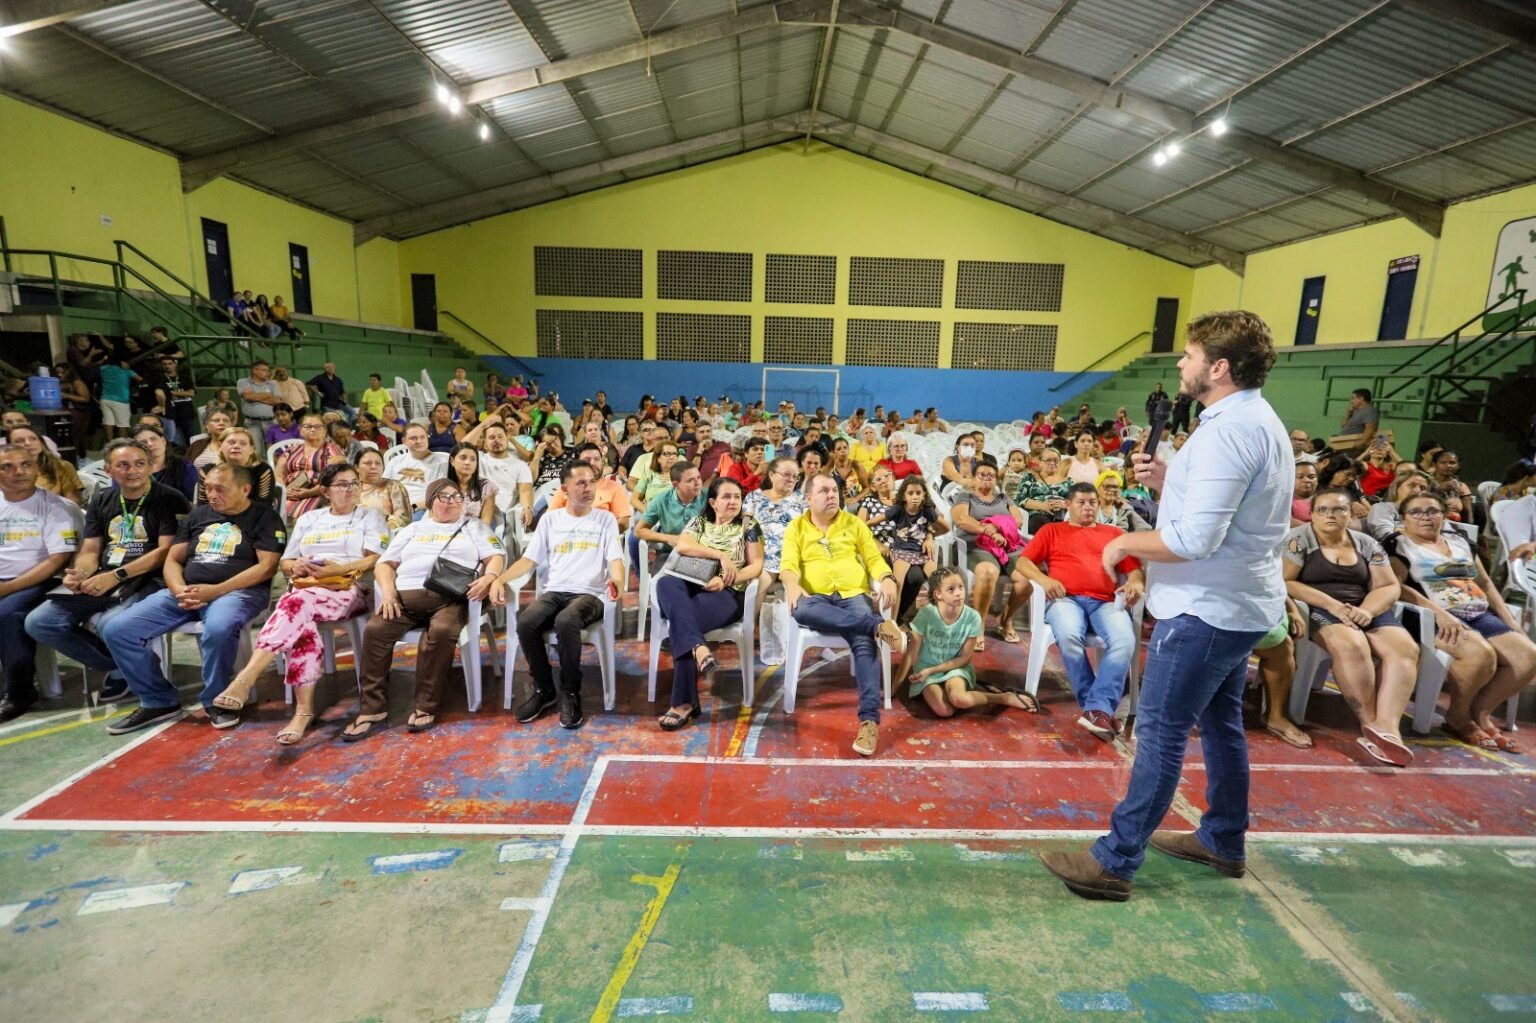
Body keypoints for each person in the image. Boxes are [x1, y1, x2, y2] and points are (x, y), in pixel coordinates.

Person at [1039, 309, 1291, 903]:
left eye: (1190, 354)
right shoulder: (1253, 419)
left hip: (1206, 610)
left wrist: (1122, 541)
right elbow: (1226, 508)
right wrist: (1169, 481)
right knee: (1222, 725)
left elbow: (1193, 540)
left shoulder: (1229, 430)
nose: (1181, 362)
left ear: (1219, 367)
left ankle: (1114, 863)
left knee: (1159, 732)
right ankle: (1223, 839)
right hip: (1239, 605)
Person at [101, 463, 284, 734]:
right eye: (208, 488)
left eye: (220, 489)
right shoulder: (198, 515)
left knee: (218, 629)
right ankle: (157, 700)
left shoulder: (264, 517)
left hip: (238, 592)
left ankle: (216, 700)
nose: (212, 494)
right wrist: (178, 590)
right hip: (186, 590)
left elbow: (265, 568)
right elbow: (173, 559)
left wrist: (215, 591)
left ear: (245, 489)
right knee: (117, 629)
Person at [212, 462, 387, 743]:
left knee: (295, 603)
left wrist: (336, 569)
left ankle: (246, 679)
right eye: (343, 484)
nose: (351, 489)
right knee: (301, 621)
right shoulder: (310, 520)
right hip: (308, 589)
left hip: (349, 590)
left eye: (355, 483)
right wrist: (299, 566)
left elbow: (374, 559)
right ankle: (303, 711)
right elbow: (286, 562)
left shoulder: (369, 517)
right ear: (326, 491)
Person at [25, 438, 188, 706]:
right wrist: (79, 573)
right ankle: (122, 665)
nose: (132, 470)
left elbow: (166, 552)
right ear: (109, 471)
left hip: (148, 579)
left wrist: (115, 576)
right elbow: (90, 548)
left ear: (150, 467)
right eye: (123, 465)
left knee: (108, 624)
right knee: (40, 622)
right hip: (105, 576)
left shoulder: (170, 498)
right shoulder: (103, 499)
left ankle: (133, 675)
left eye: (139, 464)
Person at [343, 478, 504, 741]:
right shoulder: (412, 529)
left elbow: (495, 556)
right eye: (444, 497)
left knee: (441, 630)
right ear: (430, 501)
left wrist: (491, 575)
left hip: (450, 598)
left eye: (456, 497)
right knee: (375, 630)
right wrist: (389, 592)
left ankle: (425, 705)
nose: (451, 502)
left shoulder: (473, 527)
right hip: (404, 597)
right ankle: (372, 710)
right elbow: (384, 565)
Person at [1282, 488, 1420, 766]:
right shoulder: (1298, 540)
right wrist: (1332, 605)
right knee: (1351, 644)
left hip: (1363, 607)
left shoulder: (1366, 543)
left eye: (1339, 509)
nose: (1331, 515)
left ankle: (1387, 729)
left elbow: (1389, 585)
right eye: (1323, 510)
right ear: (1312, 514)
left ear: (1351, 513)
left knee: (1405, 648)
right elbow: (1286, 581)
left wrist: (1367, 611)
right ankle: (1369, 722)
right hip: (1319, 608)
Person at [1391, 493, 1535, 754]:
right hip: (1434, 618)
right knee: (1480, 655)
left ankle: (1480, 714)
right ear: (1404, 518)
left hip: (1478, 613)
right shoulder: (1399, 545)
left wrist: (1509, 621)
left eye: (1433, 511)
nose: (1426, 516)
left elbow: (1485, 583)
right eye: (1416, 512)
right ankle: (1458, 718)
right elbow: (1396, 586)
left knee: (1528, 655)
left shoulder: (1460, 541)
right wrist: (1438, 613)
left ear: (1443, 516)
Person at [780, 473, 904, 757]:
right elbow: (787, 565)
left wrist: (886, 577)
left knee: (863, 642)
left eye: (835, 490)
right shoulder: (796, 528)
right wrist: (790, 583)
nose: (832, 495)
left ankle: (869, 721)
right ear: (808, 497)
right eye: (824, 491)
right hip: (816, 598)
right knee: (800, 607)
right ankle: (876, 625)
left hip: (852, 594)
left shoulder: (854, 524)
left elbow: (873, 558)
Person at [493, 462, 624, 730]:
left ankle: (570, 692)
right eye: (581, 483)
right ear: (565, 489)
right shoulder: (551, 520)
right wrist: (500, 578)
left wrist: (618, 580)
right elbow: (529, 560)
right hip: (555, 591)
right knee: (526, 621)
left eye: (591, 482)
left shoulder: (605, 519)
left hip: (590, 594)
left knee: (567, 621)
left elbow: (616, 560)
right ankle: (544, 690)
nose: (589, 488)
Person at [1016, 483, 1145, 737]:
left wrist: (1135, 584)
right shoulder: (1052, 530)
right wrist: (1044, 580)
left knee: (1125, 641)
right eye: (1081, 502)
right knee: (1068, 636)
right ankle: (1098, 709)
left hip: (1106, 602)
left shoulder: (1114, 534)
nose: (1088, 507)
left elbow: (1135, 572)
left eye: (1092, 503)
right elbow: (1023, 561)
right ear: (1068, 505)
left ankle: (1096, 711)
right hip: (1065, 599)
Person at [654, 476, 764, 730]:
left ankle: (683, 703)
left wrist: (726, 580)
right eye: (726, 497)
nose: (733, 501)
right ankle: (700, 651)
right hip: (693, 580)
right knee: (665, 583)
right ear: (713, 502)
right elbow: (683, 545)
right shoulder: (700, 521)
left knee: (681, 621)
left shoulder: (748, 525)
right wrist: (720, 555)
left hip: (727, 593)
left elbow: (756, 565)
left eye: (737, 496)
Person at [0, 445, 82, 721]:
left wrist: (9, 588)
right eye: (7, 467)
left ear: (36, 468)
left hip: (39, 581)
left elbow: (58, 559)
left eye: (25, 464)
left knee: (8, 614)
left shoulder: (53, 506)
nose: (18, 472)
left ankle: (19, 692)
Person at [895, 567, 1036, 718]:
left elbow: (963, 658)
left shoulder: (972, 617)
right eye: (951, 589)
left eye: (961, 587)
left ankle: (1003, 697)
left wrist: (932, 671)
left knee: (959, 699)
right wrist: (894, 688)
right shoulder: (926, 614)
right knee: (944, 711)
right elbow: (910, 654)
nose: (958, 593)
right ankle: (973, 690)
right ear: (938, 594)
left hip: (954, 668)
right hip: (926, 672)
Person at [950, 462, 1030, 647]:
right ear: (974, 478)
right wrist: (988, 532)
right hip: (977, 544)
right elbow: (962, 520)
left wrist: (996, 526)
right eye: (982, 474)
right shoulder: (965, 496)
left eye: (990, 475)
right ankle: (978, 626)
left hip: (1008, 545)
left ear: (996, 479)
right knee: (987, 572)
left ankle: (1005, 620)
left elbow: (1018, 519)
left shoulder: (1004, 498)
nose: (986, 478)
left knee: (1027, 577)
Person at [882, 475, 948, 625]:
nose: (915, 497)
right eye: (878, 478)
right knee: (899, 582)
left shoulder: (925, 508)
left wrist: (930, 537)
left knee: (930, 580)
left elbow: (938, 523)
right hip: (893, 551)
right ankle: (893, 622)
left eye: (918, 493)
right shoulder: (880, 505)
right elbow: (867, 524)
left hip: (917, 550)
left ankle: (940, 620)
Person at [635, 460, 706, 577]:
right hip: (670, 553)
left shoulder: (708, 498)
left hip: (702, 554)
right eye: (690, 480)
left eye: (699, 477)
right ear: (675, 484)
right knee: (661, 583)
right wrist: (668, 538)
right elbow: (639, 531)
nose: (697, 483)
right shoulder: (661, 500)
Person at [282, 413, 346, 521]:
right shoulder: (292, 450)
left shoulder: (331, 449)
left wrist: (309, 492)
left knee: (301, 517)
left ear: (325, 431)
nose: (313, 429)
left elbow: (335, 476)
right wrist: (284, 490)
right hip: (290, 491)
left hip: (319, 492)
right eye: (307, 426)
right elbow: (278, 474)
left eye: (317, 427)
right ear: (300, 430)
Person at [474, 421, 534, 533]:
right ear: (485, 444)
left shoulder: (520, 465)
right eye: (491, 437)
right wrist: (480, 427)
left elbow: (525, 491)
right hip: (476, 513)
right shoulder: (477, 459)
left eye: (500, 436)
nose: (496, 440)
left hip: (503, 517)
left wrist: (527, 508)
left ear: (507, 440)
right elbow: (461, 446)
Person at [194, 428, 277, 508]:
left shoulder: (262, 470)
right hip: (214, 517)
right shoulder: (208, 470)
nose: (236, 446)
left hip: (254, 518)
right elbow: (203, 505)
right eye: (231, 442)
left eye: (243, 443)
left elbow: (263, 505)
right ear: (220, 446)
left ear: (252, 449)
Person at [6, 426, 83, 504]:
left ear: (41, 443)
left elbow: (73, 501)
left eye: (33, 439)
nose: (28, 443)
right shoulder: (4, 471)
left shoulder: (62, 466)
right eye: (19, 441)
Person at [385, 423, 448, 509]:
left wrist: (412, 507)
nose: (419, 441)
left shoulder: (442, 462)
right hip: (393, 507)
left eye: (422, 437)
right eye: (413, 438)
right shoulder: (395, 461)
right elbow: (383, 488)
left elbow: (440, 495)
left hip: (420, 509)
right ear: (404, 441)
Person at [133, 422, 197, 501]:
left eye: (153, 439)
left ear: (163, 441)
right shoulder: (131, 471)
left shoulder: (184, 467)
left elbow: (192, 500)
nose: (150, 444)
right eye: (143, 442)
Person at [1016, 447, 1071, 533]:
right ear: (1040, 462)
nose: (1052, 463)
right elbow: (1020, 499)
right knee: (1042, 522)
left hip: (1063, 516)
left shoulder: (1068, 481)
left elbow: (1076, 500)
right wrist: (1042, 506)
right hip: (1038, 515)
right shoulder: (1029, 478)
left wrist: (1064, 504)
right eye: (1048, 460)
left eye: (1056, 460)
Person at [355, 448, 413, 530]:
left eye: (378, 463)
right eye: (368, 463)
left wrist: (386, 530)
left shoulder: (393, 486)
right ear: (356, 467)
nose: (373, 467)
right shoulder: (348, 487)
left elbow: (403, 517)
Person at [444, 443, 499, 527]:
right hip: (446, 531)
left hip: (474, 532)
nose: (467, 462)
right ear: (452, 461)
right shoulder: (442, 486)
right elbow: (435, 519)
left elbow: (485, 522)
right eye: (463, 458)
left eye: (473, 459)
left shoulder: (486, 487)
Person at [97, 349, 141, 439]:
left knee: (108, 422)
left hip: (105, 399)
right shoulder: (126, 371)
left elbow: (97, 366)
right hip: (121, 401)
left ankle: (110, 443)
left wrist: (103, 360)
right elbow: (140, 379)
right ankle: (122, 444)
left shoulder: (103, 369)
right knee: (123, 424)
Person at [237, 361, 284, 444]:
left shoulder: (273, 383)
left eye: (268, 370)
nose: (267, 373)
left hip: (271, 422)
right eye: (264, 370)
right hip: (252, 423)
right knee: (256, 450)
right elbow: (247, 397)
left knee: (274, 449)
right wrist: (268, 395)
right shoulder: (243, 382)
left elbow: (278, 401)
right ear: (255, 370)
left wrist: (255, 396)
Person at [1330, 387, 1379, 454]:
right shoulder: (1355, 412)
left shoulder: (1369, 410)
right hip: (1345, 446)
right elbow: (1343, 425)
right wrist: (1348, 414)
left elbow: (1370, 428)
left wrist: (1361, 442)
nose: (1351, 401)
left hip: (1355, 448)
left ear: (1361, 398)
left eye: (1353, 398)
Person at [1291, 460, 1319, 527]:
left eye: (1311, 477)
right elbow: (1289, 522)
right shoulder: (1285, 501)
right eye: (1300, 477)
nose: (1306, 480)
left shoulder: (1327, 499)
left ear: (1317, 480)